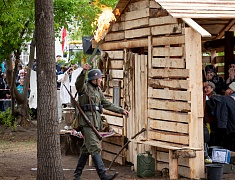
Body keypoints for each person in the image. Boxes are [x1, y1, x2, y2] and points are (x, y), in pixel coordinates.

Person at [74, 63, 129, 180]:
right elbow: (78, 83)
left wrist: (121, 111)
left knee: (86, 149)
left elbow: (107, 104)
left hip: (95, 123)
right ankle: (103, 176)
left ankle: (76, 176)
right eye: (99, 78)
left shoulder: (98, 91)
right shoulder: (84, 88)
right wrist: (84, 71)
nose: (101, 80)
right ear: (94, 79)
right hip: (86, 122)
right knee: (94, 147)